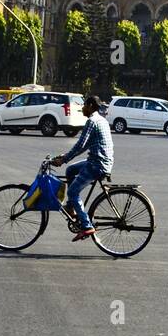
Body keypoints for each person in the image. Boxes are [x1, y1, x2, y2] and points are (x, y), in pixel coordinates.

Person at [51, 95, 114, 241]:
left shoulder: (92, 121)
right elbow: (85, 145)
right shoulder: (101, 120)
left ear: (91, 106)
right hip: (100, 161)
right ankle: (71, 207)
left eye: (84, 105)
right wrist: (65, 157)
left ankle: (86, 225)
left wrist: (64, 159)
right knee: (71, 170)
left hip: (97, 164)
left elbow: (80, 145)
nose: (82, 108)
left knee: (72, 191)